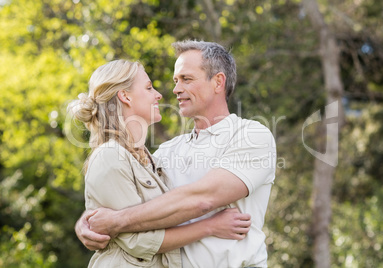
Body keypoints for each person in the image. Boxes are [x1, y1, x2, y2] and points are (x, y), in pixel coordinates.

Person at [75, 41, 277, 267]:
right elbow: (131, 201)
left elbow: (203, 198)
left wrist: (115, 222)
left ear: (218, 82)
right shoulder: (164, 153)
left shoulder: (250, 136)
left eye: (186, 79)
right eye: (175, 81)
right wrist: (89, 221)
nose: (175, 89)